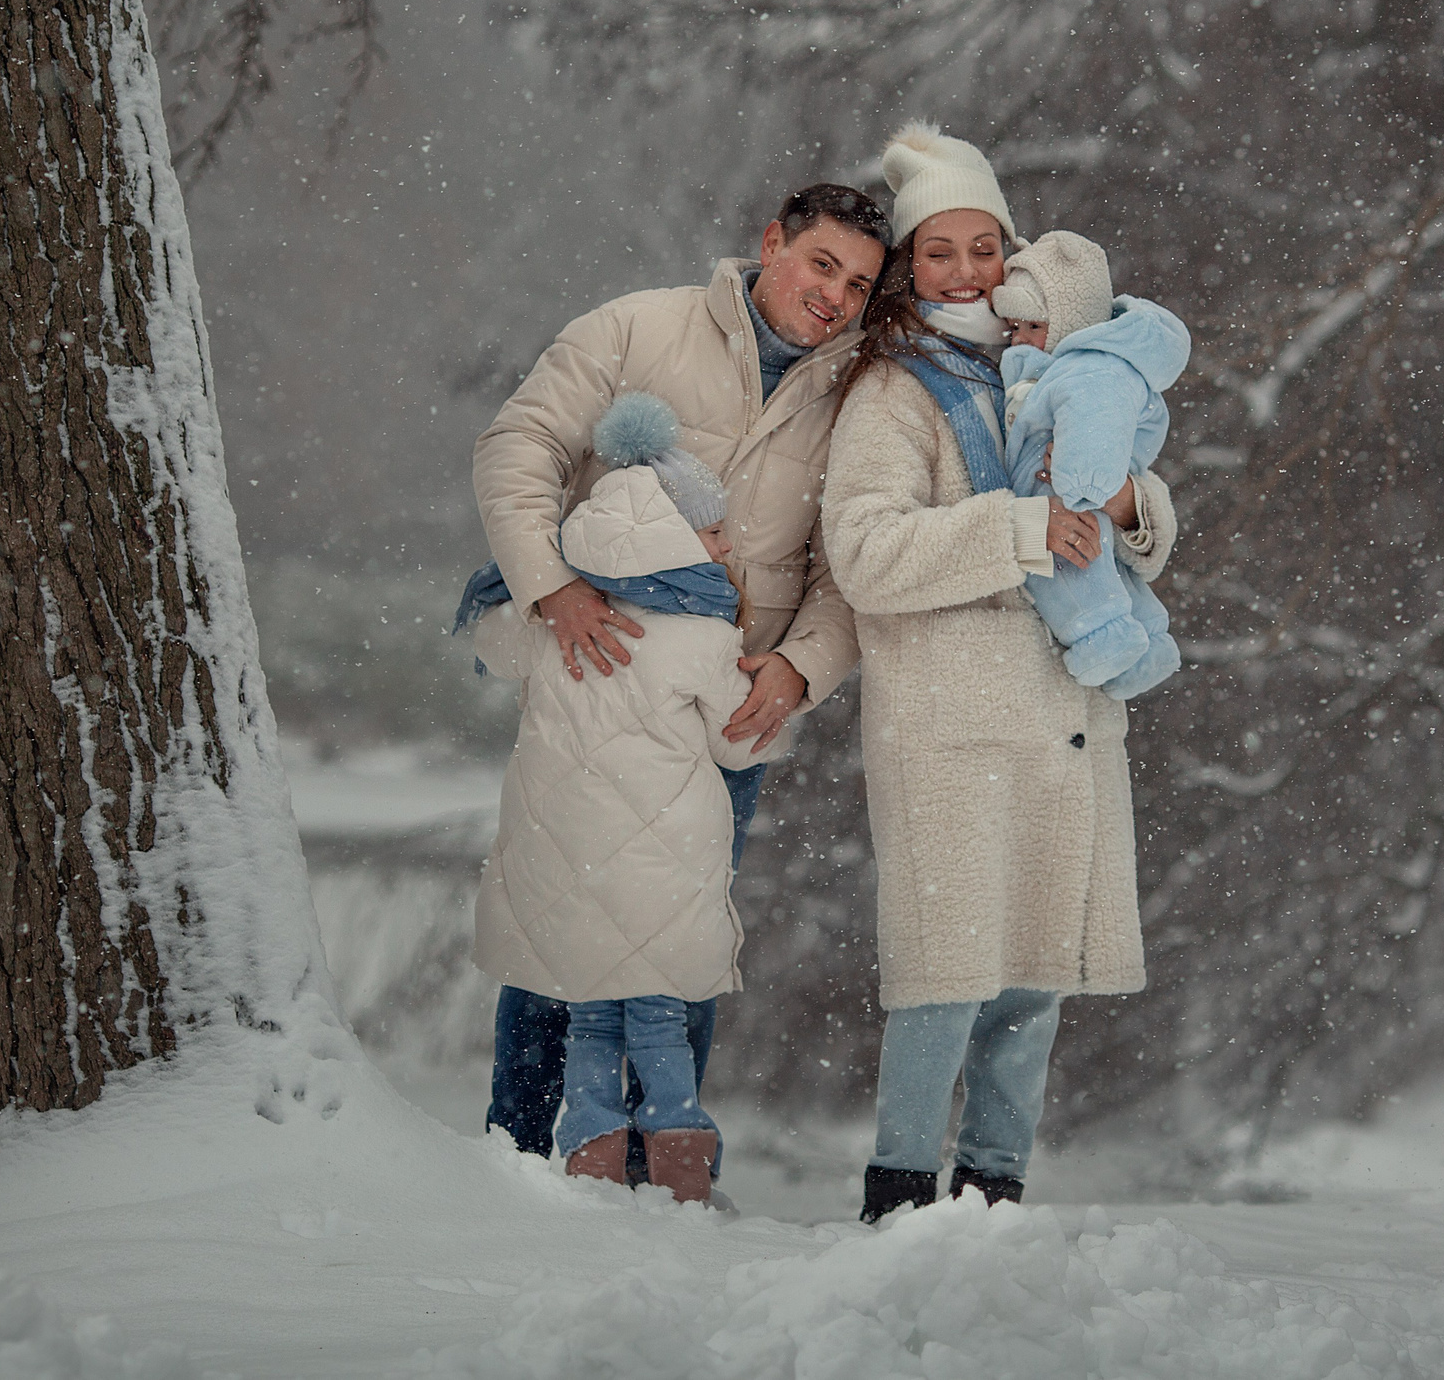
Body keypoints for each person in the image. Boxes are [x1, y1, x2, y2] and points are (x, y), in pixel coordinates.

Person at [469, 185, 889, 1159]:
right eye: (822, 264)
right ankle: (518, 1158)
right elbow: (518, 447)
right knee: (558, 918)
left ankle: (655, 1171)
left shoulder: (859, 395)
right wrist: (550, 588)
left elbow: (848, 564)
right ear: (772, 244)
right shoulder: (638, 329)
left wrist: (801, 668)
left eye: (860, 285)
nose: (834, 297)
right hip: (598, 690)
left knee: (683, 938)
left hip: (727, 707)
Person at [820, 124, 1180, 1223]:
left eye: (986, 248)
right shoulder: (894, 389)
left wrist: (1127, 503)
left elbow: (1135, 519)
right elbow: (865, 552)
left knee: (1034, 978)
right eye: (940, 252)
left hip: (1061, 715)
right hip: (951, 725)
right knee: (947, 977)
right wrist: (1020, 530)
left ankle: (995, 1193)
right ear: (908, 266)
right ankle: (899, 1197)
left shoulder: (1060, 362)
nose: (967, 272)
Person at [467, 395, 783, 1202]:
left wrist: (531, 586)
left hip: (564, 859)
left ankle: (590, 1142)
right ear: (671, 540)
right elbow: (739, 742)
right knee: (658, 1013)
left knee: (588, 1010)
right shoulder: (704, 637)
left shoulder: (553, 622)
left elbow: (490, 642)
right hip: (662, 869)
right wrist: (773, 709)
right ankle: (676, 1145)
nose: (725, 545)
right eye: (712, 532)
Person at [993, 229, 1187, 700]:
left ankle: (1104, 638)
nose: (1020, 340)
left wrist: (1092, 482)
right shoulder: (1061, 369)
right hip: (1062, 501)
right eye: (1013, 328)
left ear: (1070, 322)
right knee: (1103, 569)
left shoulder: (1088, 368)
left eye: (1033, 326)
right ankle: (1148, 640)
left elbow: (1094, 412)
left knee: (1076, 572)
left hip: (1069, 493)